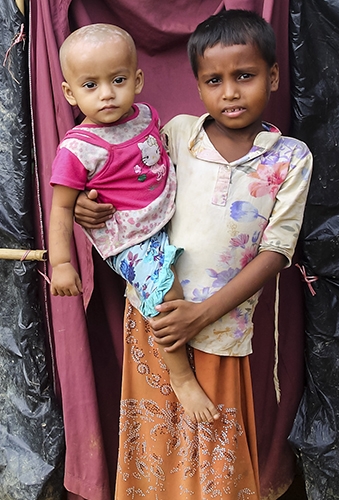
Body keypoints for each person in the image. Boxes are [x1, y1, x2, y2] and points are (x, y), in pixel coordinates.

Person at [75, 11, 312, 498]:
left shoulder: (290, 157)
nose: (229, 92)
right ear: (198, 85)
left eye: (244, 76)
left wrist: (201, 314)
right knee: (157, 445)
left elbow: (277, 252)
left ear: (272, 76)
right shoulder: (179, 133)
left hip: (222, 326)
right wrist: (82, 202)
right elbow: (124, 184)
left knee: (214, 453)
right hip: (155, 317)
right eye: (214, 80)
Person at [44, 24, 216, 424]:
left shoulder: (144, 116)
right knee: (164, 291)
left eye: (118, 80)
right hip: (128, 238)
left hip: (162, 216)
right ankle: (182, 377)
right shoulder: (77, 149)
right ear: (70, 93)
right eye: (90, 85)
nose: (107, 93)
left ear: (137, 81)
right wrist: (62, 264)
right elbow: (61, 210)